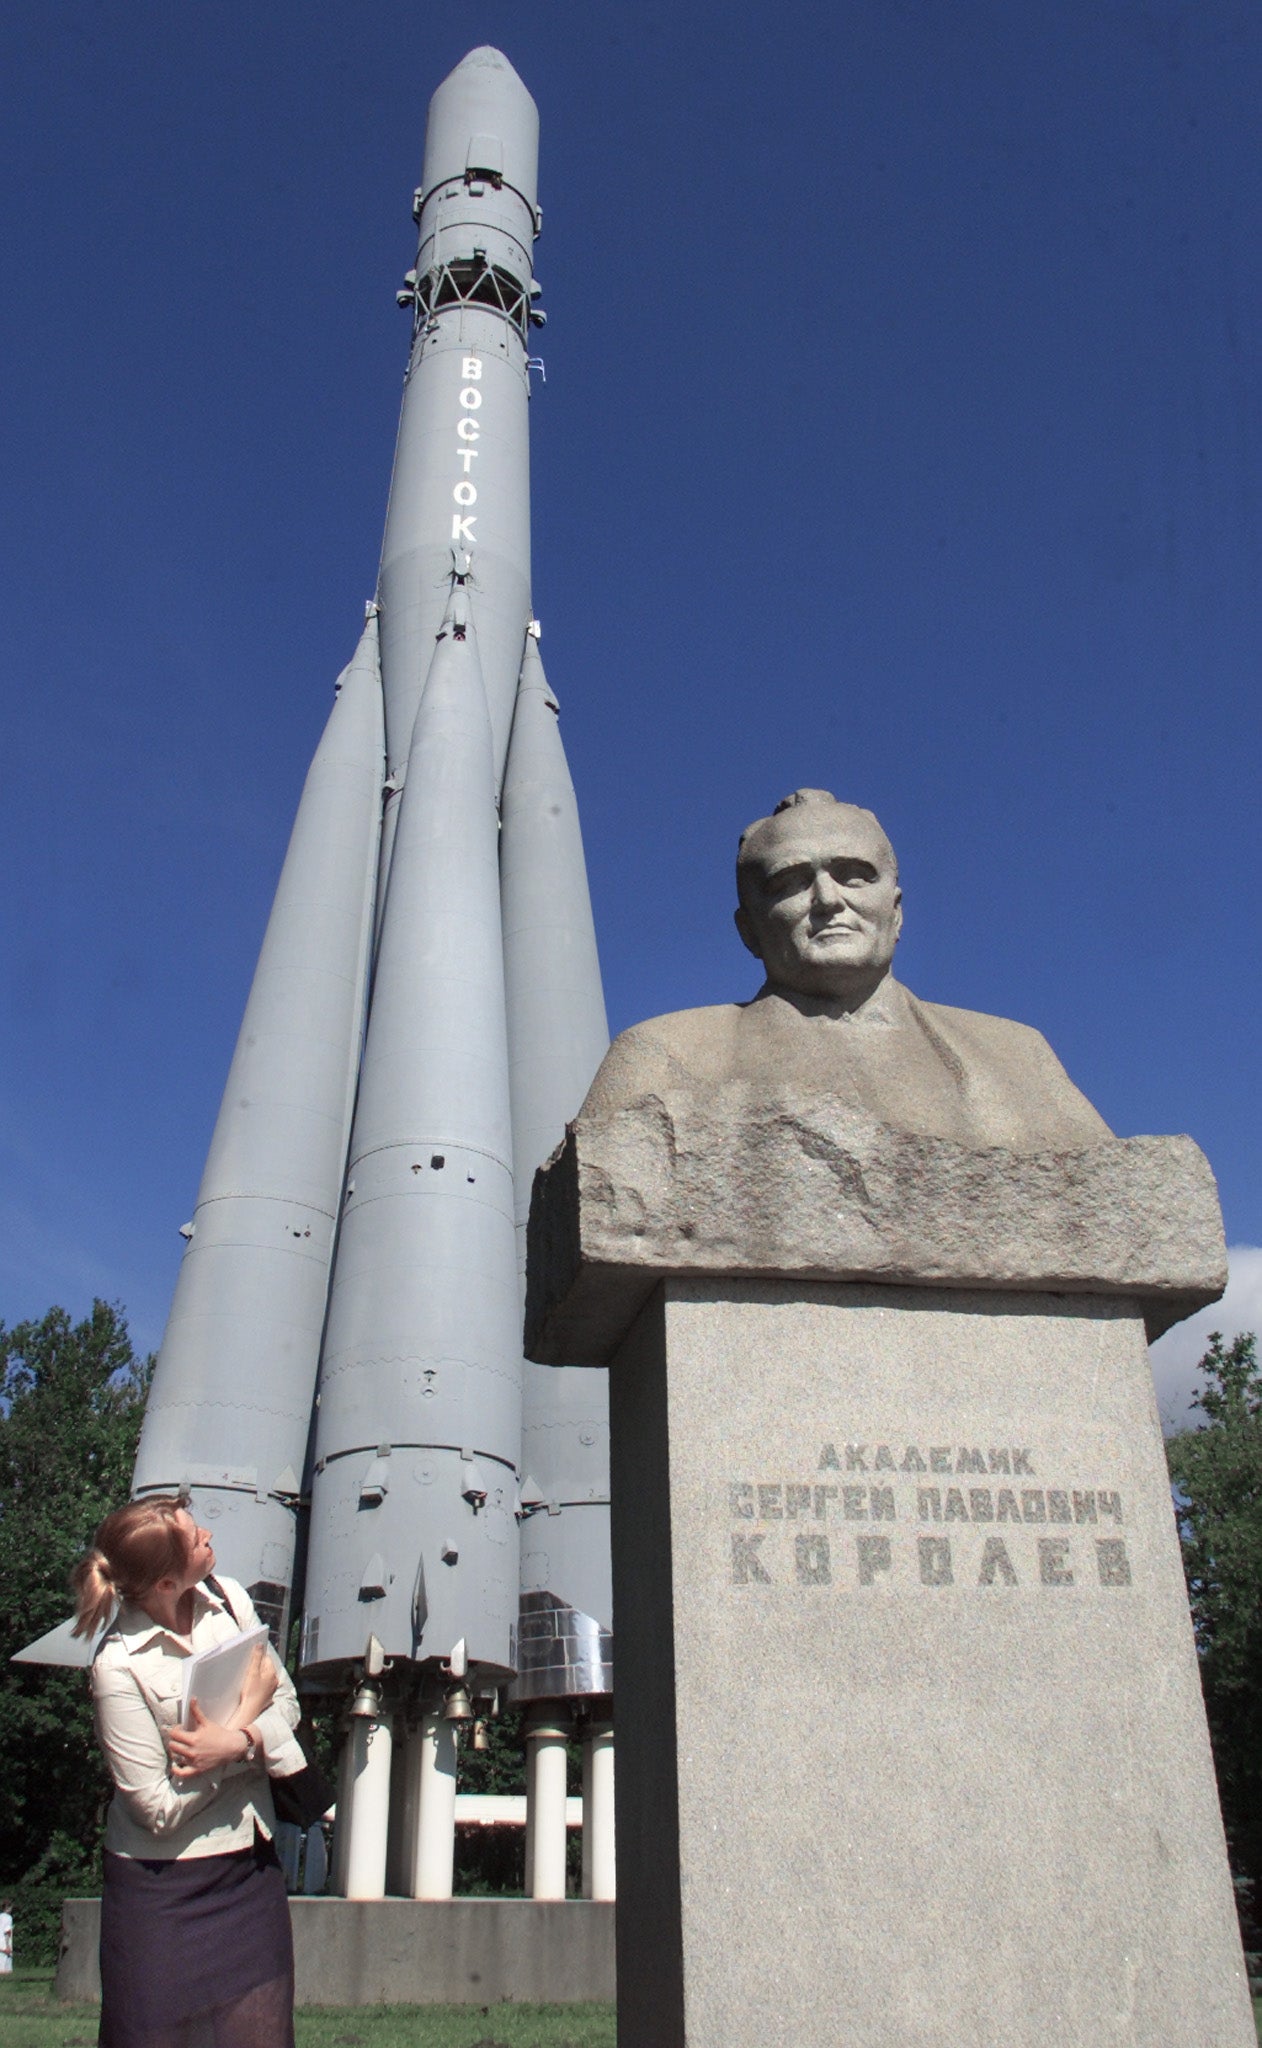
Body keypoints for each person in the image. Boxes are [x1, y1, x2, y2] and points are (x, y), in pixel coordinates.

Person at [582, 787, 1112, 1152]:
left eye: (854, 876)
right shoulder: (665, 1057)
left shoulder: (1017, 1054)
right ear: (749, 931)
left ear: (897, 910)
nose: (828, 899)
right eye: (791, 882)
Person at [71, 1496, 306, 2048]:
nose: (206, 1533)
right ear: (164, 1585)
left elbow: (286, 1703)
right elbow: (155, 1808)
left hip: (249, 1872)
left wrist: (236, 1739)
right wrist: (243, 1737)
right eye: (192, 1535)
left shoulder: (230, 1601)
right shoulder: (117, 1667)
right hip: (160, 1893)